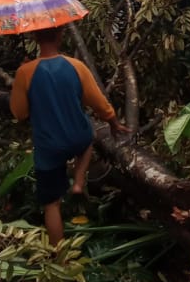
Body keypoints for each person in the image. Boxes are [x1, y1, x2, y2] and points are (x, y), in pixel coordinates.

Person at [10, 25, 130, 244]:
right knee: (88, 141)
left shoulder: (25, 73)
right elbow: (99, 102)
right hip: (77, 137)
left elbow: (19, 113)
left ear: (35, 38)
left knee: (52, 204)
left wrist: (23, 77)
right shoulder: (76, 66)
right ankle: (78, 180)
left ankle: (59, 258)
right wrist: (113, 122)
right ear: (60, 35)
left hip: (48, 147)